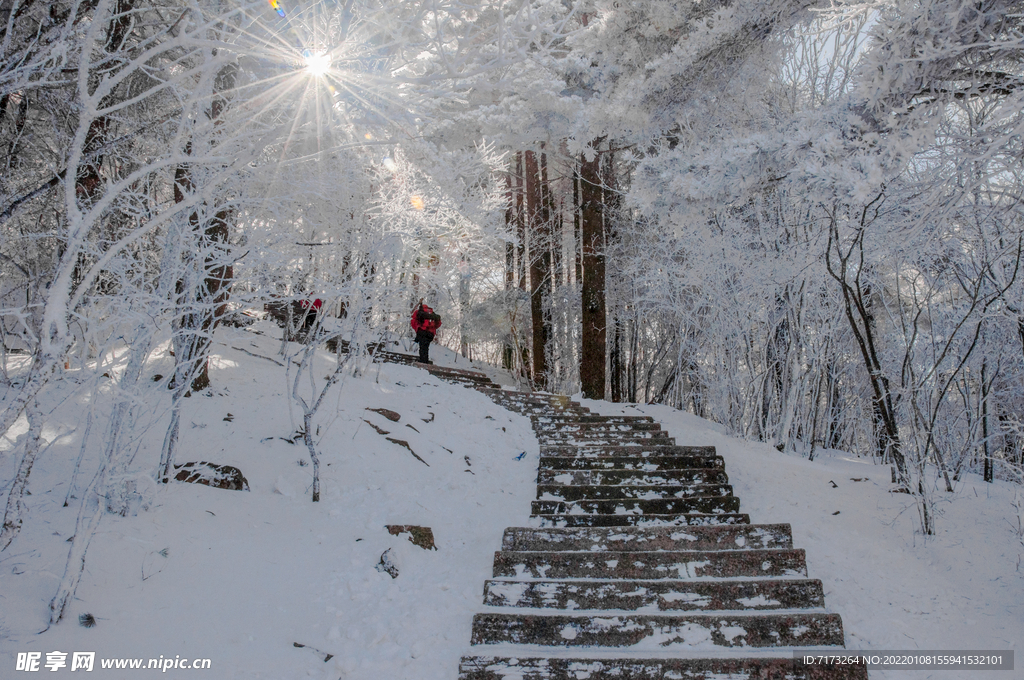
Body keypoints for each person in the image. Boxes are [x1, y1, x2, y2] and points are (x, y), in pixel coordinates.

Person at [410, 299, 441, 364]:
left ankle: (423, 361)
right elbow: (438, 324)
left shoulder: (418, 312)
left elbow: (413, 321)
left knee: (422, 347)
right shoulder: (432, 313)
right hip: (430, 334)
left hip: (422, 331)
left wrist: (417, 328)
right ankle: (425, 360)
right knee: (426, 346)